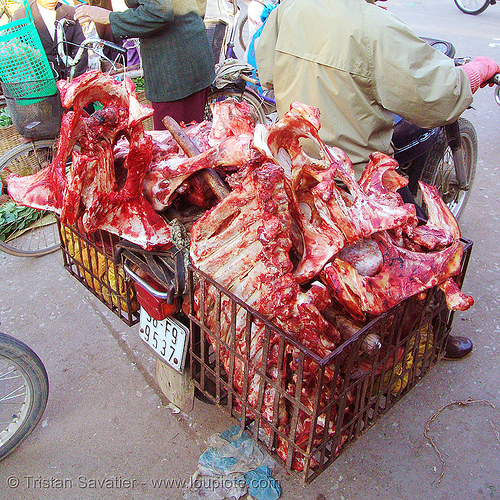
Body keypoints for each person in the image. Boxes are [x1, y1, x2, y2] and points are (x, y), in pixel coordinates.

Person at [255, 0, 500, 360]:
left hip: (291, 164)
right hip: (352, 186)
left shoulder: (289, 9)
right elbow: (438, 96)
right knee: (420, 247)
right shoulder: (375, 28)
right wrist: (479, 69)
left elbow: (268, 76)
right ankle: (431, 334)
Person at [74, 0, 215, 129]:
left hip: (174, 70)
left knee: (173, 146)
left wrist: (111, 18)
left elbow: (160, 11)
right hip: (190, 57)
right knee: (191, 139)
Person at [13, 0, 88, 81]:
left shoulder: (70, 12)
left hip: (66, 79)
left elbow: (80, 48)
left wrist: (75, 78)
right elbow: (15, 50)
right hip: (38, 81)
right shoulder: (22, 15)